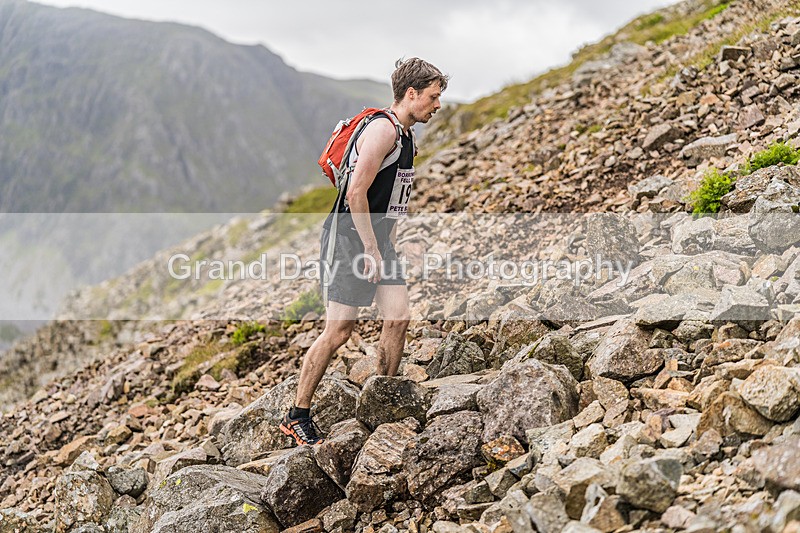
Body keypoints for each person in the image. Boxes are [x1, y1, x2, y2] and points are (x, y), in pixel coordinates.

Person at [279, 57, 448, 446]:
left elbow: (388, 196)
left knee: (398, 317)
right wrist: (370, 248)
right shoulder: (382, 131)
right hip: (350, 240)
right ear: (412, 93)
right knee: (339, 332)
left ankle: (382, 401)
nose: (437, 106)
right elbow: (356, 192)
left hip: (377, 240)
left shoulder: (406, 136)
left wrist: (390, 241)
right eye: (433, 97)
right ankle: (297, 414)